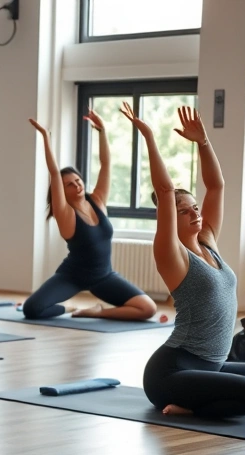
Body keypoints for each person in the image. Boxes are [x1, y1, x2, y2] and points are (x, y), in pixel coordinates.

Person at [128, 105, 245, 418]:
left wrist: (203, 142)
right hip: (171, 373)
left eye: (195, 207)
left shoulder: (208, 240)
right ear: (170, 217)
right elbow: (165, 191)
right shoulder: (172, 254)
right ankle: (193, 403)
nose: (195, 212)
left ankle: (193, 407)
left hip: (213, 365)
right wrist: (150, 138)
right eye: (184, 211)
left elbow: (217, 186)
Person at [25, 114, 157, 321]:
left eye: (78, 180)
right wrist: (45, 138)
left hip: (104, 277)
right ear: (61, 190)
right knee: (31, 310)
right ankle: (69, 308)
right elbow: (53, 172)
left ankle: (96, 311)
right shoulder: (65, 213)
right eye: (70, 184)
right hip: (71, 277)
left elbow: (106, 164)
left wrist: (103, 131)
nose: (77, 185)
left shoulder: (97, 201)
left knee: (148, 308)